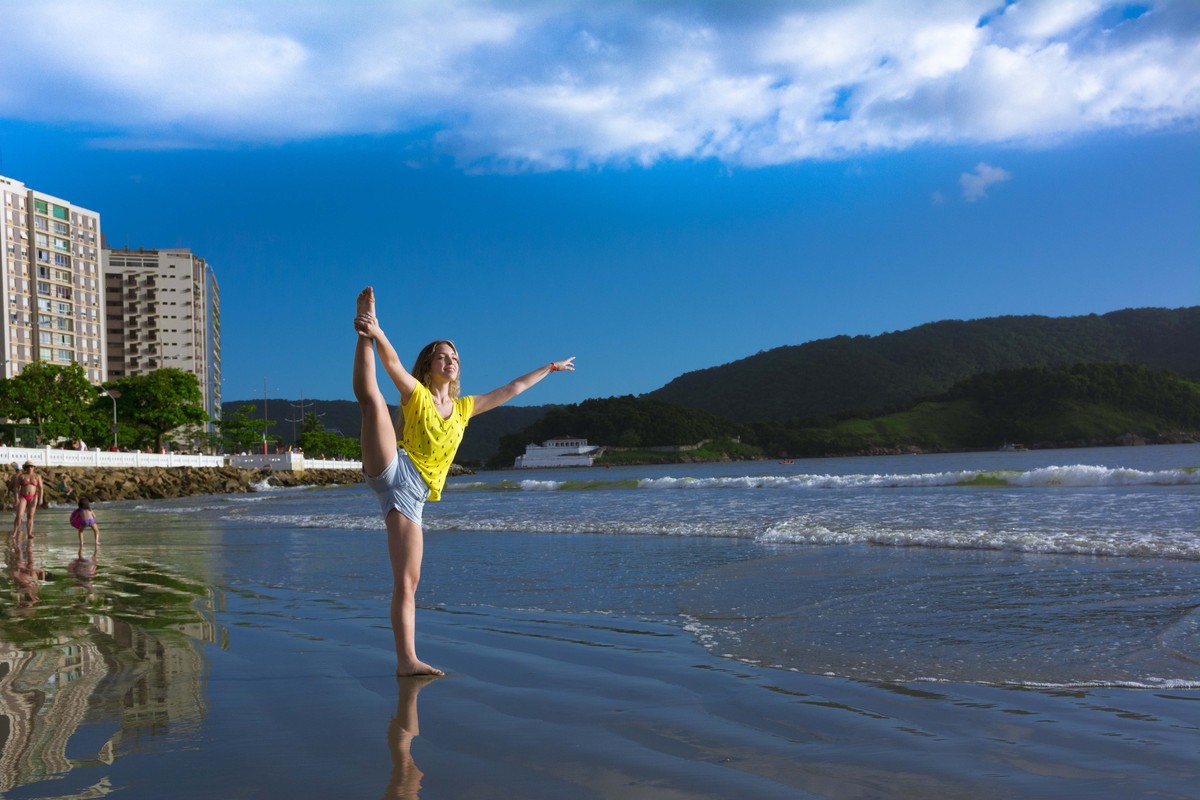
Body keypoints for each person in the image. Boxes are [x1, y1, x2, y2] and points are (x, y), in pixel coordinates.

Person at [353, 286, 574, 676]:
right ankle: (362, 328)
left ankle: (407, 662)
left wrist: (550, 368)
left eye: (454, 357)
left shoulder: (465, 408)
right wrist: (374, 332)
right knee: (372, 401)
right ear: (428, 366)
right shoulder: (416, 393)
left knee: (408, 582)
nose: (450, 360)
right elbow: (393, 365)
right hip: (394, 466)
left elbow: (512, 389)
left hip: (413, 495)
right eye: (442, 356)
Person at [11, 463, 43, 539]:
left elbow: (41, 488)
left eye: (31, 466)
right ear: (25, 467)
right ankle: (15, 531)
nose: (30, 468)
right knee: (19, 516)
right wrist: (16, 498)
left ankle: (29, 533)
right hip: (23, 497)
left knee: (30, 516)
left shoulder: (37, 476)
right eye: (28, 466)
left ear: (34, 467)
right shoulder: (21, 476)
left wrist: (40, 498)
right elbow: (16, 487)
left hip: (33, 497)